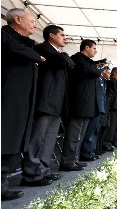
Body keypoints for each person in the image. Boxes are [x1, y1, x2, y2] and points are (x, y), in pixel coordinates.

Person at [21, 25, 75, 187]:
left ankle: (42, 170)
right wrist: (64, 56)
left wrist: (65, 57)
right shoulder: (42, 48)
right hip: (45, 100)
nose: (65, 38)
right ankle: (30, 174)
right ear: (51, 36)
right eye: (62, 35)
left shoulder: (56, 52)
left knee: (49, 139)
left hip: (57, 103)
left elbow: (70, 63)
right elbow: (64, 61)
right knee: (37, 138)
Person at [1, 8, 45, 201]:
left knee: (14, 141)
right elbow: (12, 49)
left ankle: (2, 185)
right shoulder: (5, 36)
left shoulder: (25, 43)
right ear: (17, 19)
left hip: (22, 100)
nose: (34, 25)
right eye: (31, 20)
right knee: (6, 139)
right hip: (8, 98)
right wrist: (36, 56)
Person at [61, 39, 104, 171]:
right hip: (79, 103)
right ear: (86, 48)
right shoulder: (78, 59)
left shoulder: (88, 62)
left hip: (86, 104)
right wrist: (99, 68)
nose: (95, 51)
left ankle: (74, 158)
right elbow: (94, 72)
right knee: (74, 134)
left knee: (80, 134)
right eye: (94, 48)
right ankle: (67, 161)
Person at [80, 63, 109, 161]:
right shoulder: (95, 79)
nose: (106, 72)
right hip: (96, 108)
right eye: (104, 70)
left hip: (101, 109)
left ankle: (92, 152)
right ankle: (86, 153)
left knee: (95, 132)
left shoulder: (102, 80)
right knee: (89, 132)